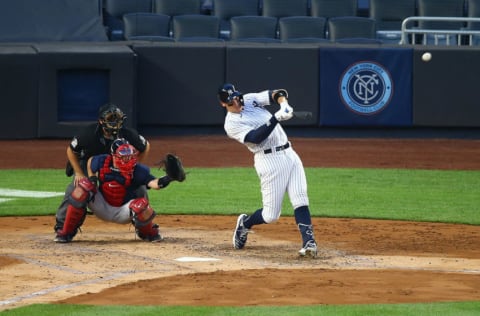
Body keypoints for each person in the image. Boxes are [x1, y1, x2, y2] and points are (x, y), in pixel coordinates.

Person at [217, 83, 318, 258]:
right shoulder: (231, 125)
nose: (236, 102)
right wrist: (276, 118)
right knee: (271, 215)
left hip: (289, 153)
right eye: (231, 101)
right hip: (269, 161)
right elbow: (256, 138)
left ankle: (309, 243)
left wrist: (283, 104)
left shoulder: (250, 100)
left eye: (236, 97)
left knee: (300, 198)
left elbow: (277, 93)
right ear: (223, 104)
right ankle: (245, 223)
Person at [54, 103, 150, 242]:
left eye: (117, 118)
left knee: (139, 187)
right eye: (111, 118)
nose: (115, 122)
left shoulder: (128, 134)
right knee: (77, 189)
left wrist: (135, 167)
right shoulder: (88, 134)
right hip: (89, 166)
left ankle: (145, 228)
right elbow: (71, 150)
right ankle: (63, 228)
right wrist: (79, 173)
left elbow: (145, 146)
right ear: (101, 120)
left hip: (117, 166)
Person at [55, 138, 178, 242]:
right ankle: (66, 233)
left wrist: (169, 178)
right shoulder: (102, 161)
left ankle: (150, 233)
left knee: (141, 206)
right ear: (114, 156)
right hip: (101, 205)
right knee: (83, 188)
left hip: (123, 212)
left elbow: (155, 184)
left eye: (129, 157)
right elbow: (90, 161)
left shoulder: (137, 170)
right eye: (124, 157)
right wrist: (92, 178)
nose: (128, 160)